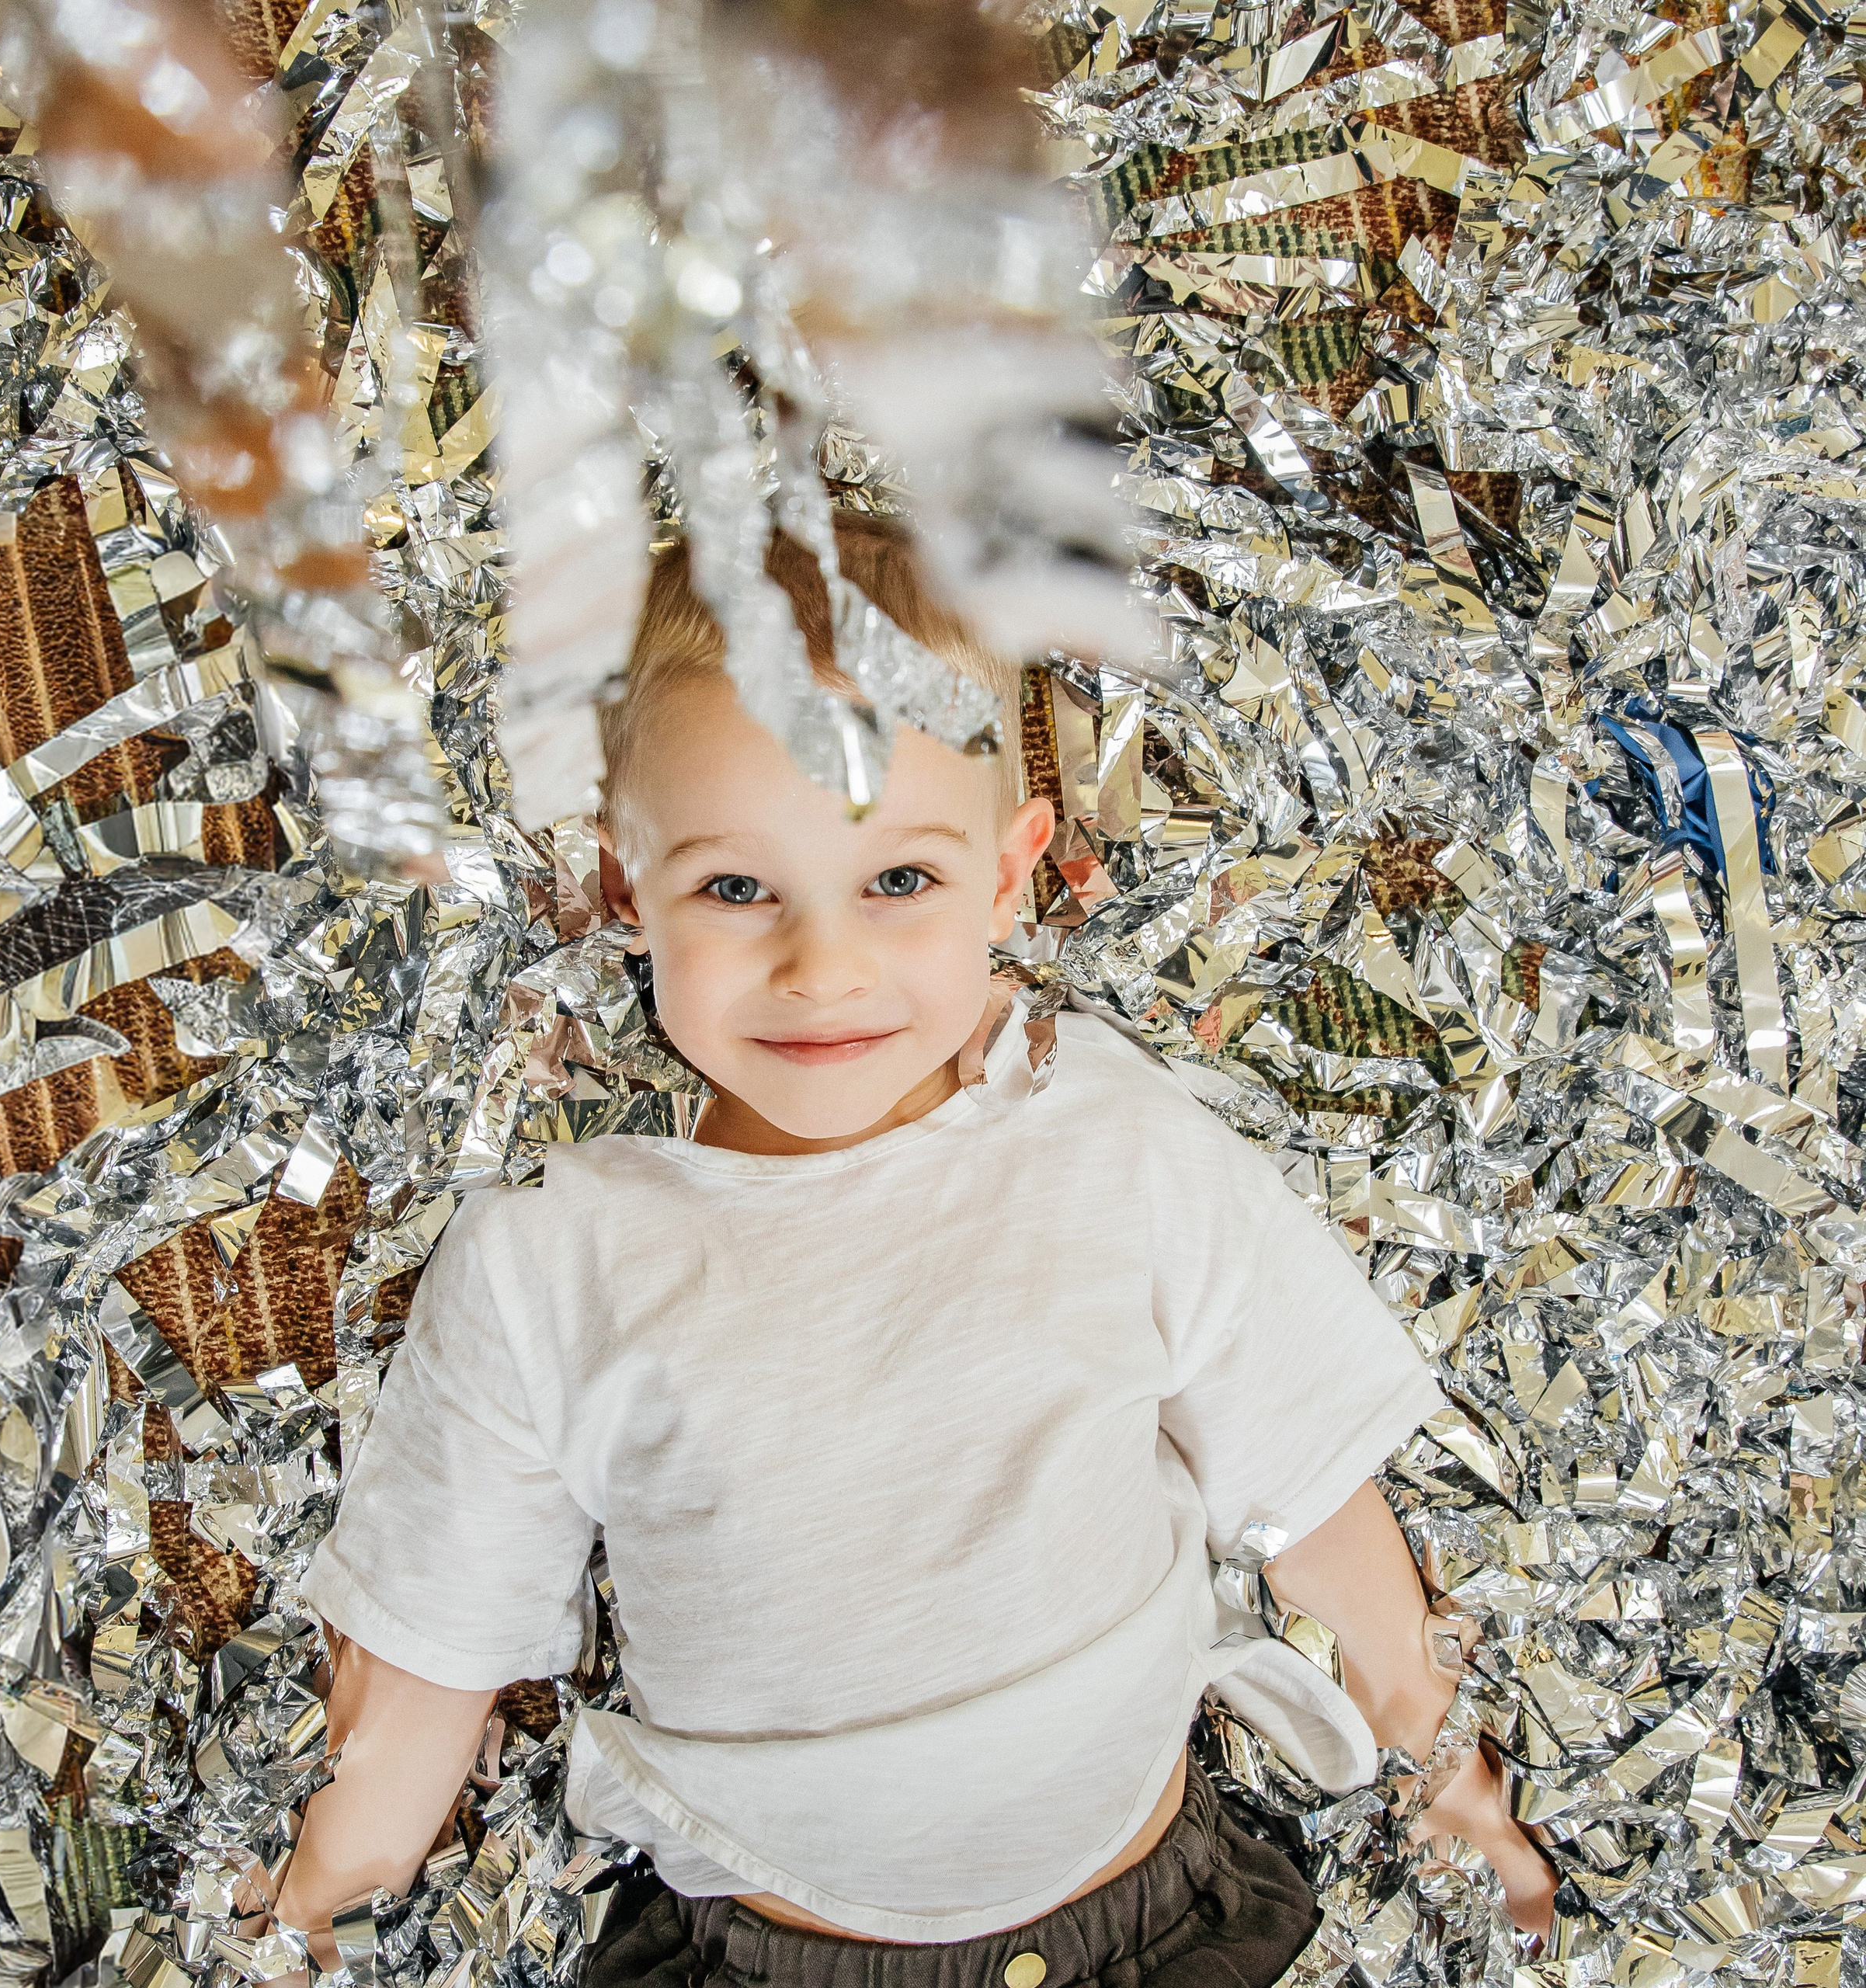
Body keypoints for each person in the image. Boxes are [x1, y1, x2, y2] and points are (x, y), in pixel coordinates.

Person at [275, 513, 1557, 1986]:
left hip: (1157, 1923)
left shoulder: (1108, 1141)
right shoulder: (551, 1263)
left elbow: (1304, 1468)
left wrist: (1440, 1758)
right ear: (629, 894)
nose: (824, 966)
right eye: (737, 889)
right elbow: (434, 1646)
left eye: (899, 882)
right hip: (768, 1954)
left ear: (1008, 875)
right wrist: (322, 1897)